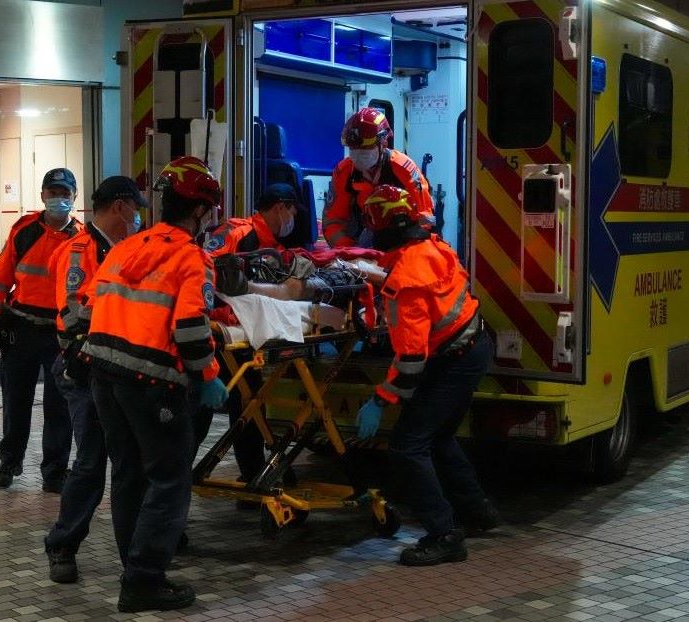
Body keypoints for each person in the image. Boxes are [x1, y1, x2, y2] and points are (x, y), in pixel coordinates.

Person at [82, 156, 228, 613]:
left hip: (104, 374)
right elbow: (189, 329)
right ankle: (144, 579)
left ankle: (135, 566)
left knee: (127, 474)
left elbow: (87, 308)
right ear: (201, 211)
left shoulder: (126, 246)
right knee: (168, 478)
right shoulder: (191, 258)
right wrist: (208, 377)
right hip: (151, 382)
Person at [354, 185, 498, 567]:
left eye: (371, 224)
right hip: (472, 346)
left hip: (453, 358)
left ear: (385, 226)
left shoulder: (406, 281)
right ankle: (477, 511)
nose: (368, 232)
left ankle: (444, 534)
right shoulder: (431, 247)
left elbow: (411, 362)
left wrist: (378, 400)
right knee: (439, 436)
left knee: (407, 446)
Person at [44, 176, 147, 584]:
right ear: (120, 207)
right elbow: (72, 312)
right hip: (84, 368)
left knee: (129, 462)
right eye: (135, 208)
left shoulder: (128, 249)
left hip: (119, 367)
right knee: (90, 462)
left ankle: (142, 546)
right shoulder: (79, 251)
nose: (139, 217)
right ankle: (63, 544)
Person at [0, 168, 83, 493]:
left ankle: (55, 472)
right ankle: (10, 461)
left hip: (59, 334)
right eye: (53, 193)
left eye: (65, 194)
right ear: (42, 196)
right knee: (15, 401)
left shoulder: (81, 240)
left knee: (59, 406)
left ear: (74, 198)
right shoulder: (24, 231)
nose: (59, 199)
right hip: (20, 330)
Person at [200, 182, 306, 486]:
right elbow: (205, 268)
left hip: (243, 334)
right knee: (207, 410)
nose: (293, 218)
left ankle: (254, 471)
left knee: (247, 402)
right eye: (292, 211)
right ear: (280, 207)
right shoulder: (237, 232)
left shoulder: (274, 248)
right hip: (218, 332)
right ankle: (178, 477)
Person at [322, 107, 435, 248]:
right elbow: (333, 221)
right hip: (358, 246)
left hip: (403, 242)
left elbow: (425, 218)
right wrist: (350, 253)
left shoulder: (403, 168)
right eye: (353, 149)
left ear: (383, 143)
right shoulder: (344, 172)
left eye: (365, 148)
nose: (358, 154)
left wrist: (405, 252)